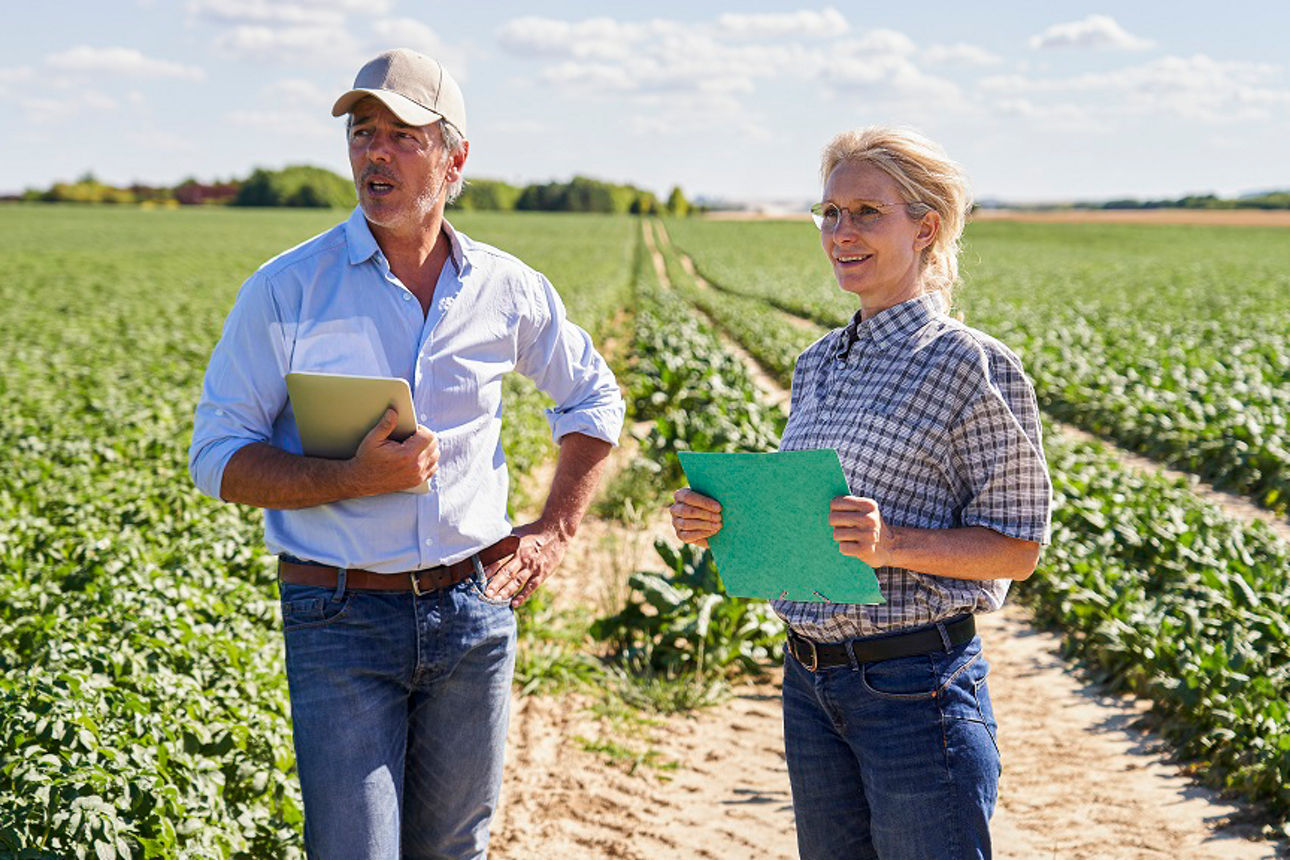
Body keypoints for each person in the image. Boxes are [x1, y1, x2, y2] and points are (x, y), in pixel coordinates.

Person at [189, 48, 624, 859]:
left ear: (455, 160)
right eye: (363, 133)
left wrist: (554, 531)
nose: (375, 154)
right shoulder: (287, 289)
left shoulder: (506, 288)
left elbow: (593, 399)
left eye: (402, 136)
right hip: (339, 617)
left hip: (472, 612)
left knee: (454, 848)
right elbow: (217, 456)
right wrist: (350, 478)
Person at [669, 126, 1052, 859]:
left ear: (926, 228)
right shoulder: (818, 363)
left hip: (916, 693)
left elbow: (1018, 549)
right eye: (831, 213)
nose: (842, 231)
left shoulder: (967, 366)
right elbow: (814, 523)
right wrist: (722, 519)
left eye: (868, 212)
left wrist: (892, 543)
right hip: (810, 683)